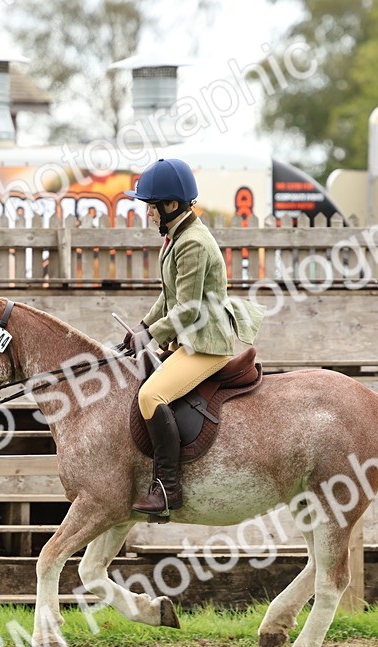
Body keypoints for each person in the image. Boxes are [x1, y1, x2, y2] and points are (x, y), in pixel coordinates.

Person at [121, 158, 264, 516]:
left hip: (205, 345)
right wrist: (142, 326)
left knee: (151, 395)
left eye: (151, 207)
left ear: (171, 205)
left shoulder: (193, 243)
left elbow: (188, 309)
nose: (148, 214)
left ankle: (168, 488)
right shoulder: (178, 236)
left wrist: (152, 333)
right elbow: (168, 296)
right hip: (186, 339)